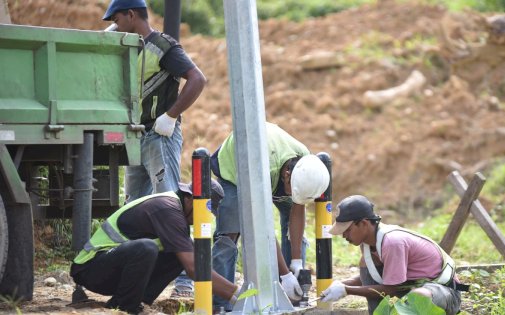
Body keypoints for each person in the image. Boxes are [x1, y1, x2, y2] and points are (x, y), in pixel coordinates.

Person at [70, 181, 239, 314]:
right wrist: (237, 295)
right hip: (90, 269)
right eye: (203, 212)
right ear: (189, 198)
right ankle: (125, 307)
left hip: (112, 271)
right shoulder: (167, 209)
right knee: (147, 248)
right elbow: (194, 268)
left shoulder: (176, 211)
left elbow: (192, 261)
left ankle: (140, 302)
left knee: (180, 252)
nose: (204, 218)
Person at [210, 122, 330, 309]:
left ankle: (293, 295)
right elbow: (262, 227)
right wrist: (285, 274)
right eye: (292, 190)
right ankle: (220, 303)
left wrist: (296, 263)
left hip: (272, 164)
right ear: (287, 175)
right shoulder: (262, 170)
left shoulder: (305, 166)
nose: (291, 196)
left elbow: (297, 208)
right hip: (234, 171)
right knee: (229, 234)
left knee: (295, 232)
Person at [102, 0, 207, 203]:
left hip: (160, 136)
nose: (116, 26)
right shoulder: (132, 50)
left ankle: (173, 236)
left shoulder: (162, 46)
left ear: (131, 15)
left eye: (117, 20)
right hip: (137, 137)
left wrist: (170, 116)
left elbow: (197, 79)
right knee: (133, 205)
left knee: (166, 201)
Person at [321, 195, 467, 315]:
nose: (343, 235)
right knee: (366, 263)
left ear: (364, 223)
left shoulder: (392, 242)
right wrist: (341, 284)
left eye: (347, 229)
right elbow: (373, 276)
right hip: (410, 289)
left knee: (418, 298)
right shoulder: (368, 243)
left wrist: (346, 290)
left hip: (445, 293)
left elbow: (389, 289)